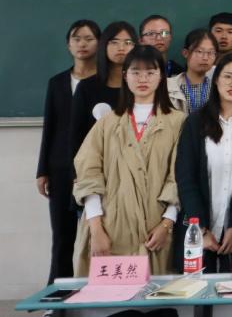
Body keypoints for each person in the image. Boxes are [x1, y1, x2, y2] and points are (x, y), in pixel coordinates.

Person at [72, 45, 185, 276]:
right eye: (136, 72)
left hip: (155, 229)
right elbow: (88, 174)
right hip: (110, 227)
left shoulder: (178, 122)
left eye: (150, 72)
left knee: (155, 293)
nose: (143, 79)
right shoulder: (107, 123)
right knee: (111, 294)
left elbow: (180, 176)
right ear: (125, 76)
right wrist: (96, 229)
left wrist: (167, 223)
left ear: (161, 77)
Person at [175, 53, 232, 272]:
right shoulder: (195, 122)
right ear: (216, 80)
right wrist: (200, 229)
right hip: (199, 230)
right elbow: (186, 179)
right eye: (228, 76)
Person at [37, 19, 100, 283]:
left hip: (95, 170)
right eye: (76, 38)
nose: (82, 44)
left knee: (96, 236)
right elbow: (49, 127)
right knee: (62, 237)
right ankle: (57, 295)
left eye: (88, 38)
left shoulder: (103, 83)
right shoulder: (57, 82)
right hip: (61, 169)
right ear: (68, 45)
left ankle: (96, 290)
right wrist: (42, 170)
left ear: (99, 44)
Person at [70, 21, 138, 158]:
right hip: (97, 161)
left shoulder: (143, 86)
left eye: (128, 42)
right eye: (114, 42)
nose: (121, 47)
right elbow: (76, 135)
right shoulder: (86, 87)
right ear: (104, 45)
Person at [167, 30, 218, 114]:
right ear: (185, 53)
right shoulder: (168, 87)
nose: (205, 58)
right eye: (199, 51)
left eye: (211, 52)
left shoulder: (218, 89)